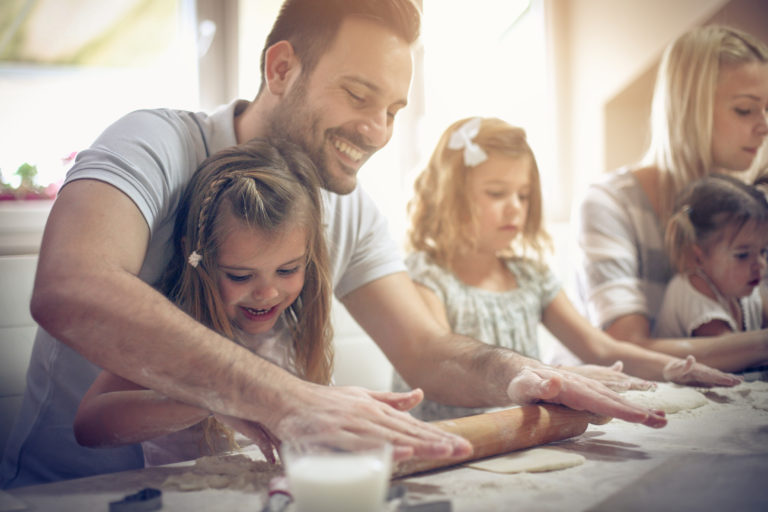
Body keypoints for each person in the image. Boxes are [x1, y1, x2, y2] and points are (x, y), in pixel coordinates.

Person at [1, 0, 666, 489]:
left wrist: (524, 373)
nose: (377, 130)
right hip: (70, 494)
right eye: (358, 94)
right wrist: (285, 397)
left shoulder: (346, 205)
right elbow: (71, 287)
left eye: (395, 111)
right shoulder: (152, 142)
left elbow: (428, 348)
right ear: (282, 67)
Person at [392, 117, 740, 421]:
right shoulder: (426, 275)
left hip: (516, 437)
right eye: (497, 193)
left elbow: (602, 349)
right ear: (449, 196)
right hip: (449, 442)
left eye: (524, 195)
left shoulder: (531, 277)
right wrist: (554, 376)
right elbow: (438, 363)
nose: (515, 208)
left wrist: (669, 369)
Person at [73, 138, 332, 465]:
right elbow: (89, 426)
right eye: (240, 276)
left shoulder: (295, 329)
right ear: (196, 257)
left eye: (287, 270)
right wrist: (215, 396)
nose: (267, 293)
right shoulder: (175, 332)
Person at [574, 24, 768, 373]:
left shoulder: (752, 210)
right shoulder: (609, 204)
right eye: (744, 110)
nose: (764, 125)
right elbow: (625, 350)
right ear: (689, 107)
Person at [654, 174, 768, 340]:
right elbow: (731, 354)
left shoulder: (741, 287)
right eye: (743, 255)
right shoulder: (693, 290)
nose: (760, 264)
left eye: (763, 251)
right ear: (698, 257)